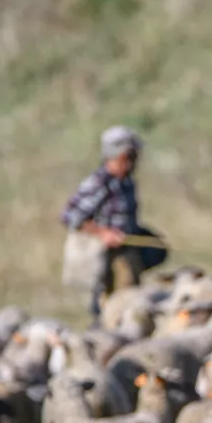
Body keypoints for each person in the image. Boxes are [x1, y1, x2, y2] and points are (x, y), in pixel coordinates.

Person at [59, 125, 163, 324]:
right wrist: (102, 232)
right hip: (107, 257)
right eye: (133, 155)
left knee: (132, 300)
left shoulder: (126, 183)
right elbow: (70, 215)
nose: (136, 160)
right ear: (122, 155)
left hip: (128, 252)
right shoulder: (99, 182)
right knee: (113, 307)